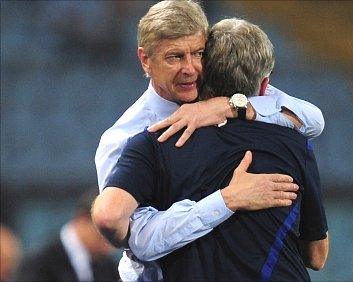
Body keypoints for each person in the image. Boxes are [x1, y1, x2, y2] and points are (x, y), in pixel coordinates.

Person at [92, 0, 325, 280]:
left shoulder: (224, 91)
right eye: (175, 57)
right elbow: (138, 241)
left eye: (198, 53)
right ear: (145, 60)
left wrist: (231, 106)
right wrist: (226, 199)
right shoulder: (128, 137)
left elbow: (313, 120)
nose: (190, 68)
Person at [15, 189, 118, 282]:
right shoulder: (38, 262)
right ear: (83, 220)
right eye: (104, 236)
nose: (110, 247)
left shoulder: (109, 266)